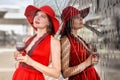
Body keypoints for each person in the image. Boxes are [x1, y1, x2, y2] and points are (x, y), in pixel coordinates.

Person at [12, 5, 61, 80]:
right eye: (36, 15)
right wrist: (17, 56)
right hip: (18, 76)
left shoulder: (54, 42)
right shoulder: (28, 39)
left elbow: (56, 73)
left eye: (43, 16)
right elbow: (18, 64)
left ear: (49, 23)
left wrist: (31, 62)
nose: (37, 18)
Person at [60, 6, 100, 80]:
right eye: (76, 17)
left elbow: (85, 61)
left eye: (81, 16)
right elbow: (65, 73)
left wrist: (93, 61)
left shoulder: (80, 39)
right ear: (69, 21)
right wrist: (87, 63)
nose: (81, 19)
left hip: (92, 76)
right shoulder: (66, 40)